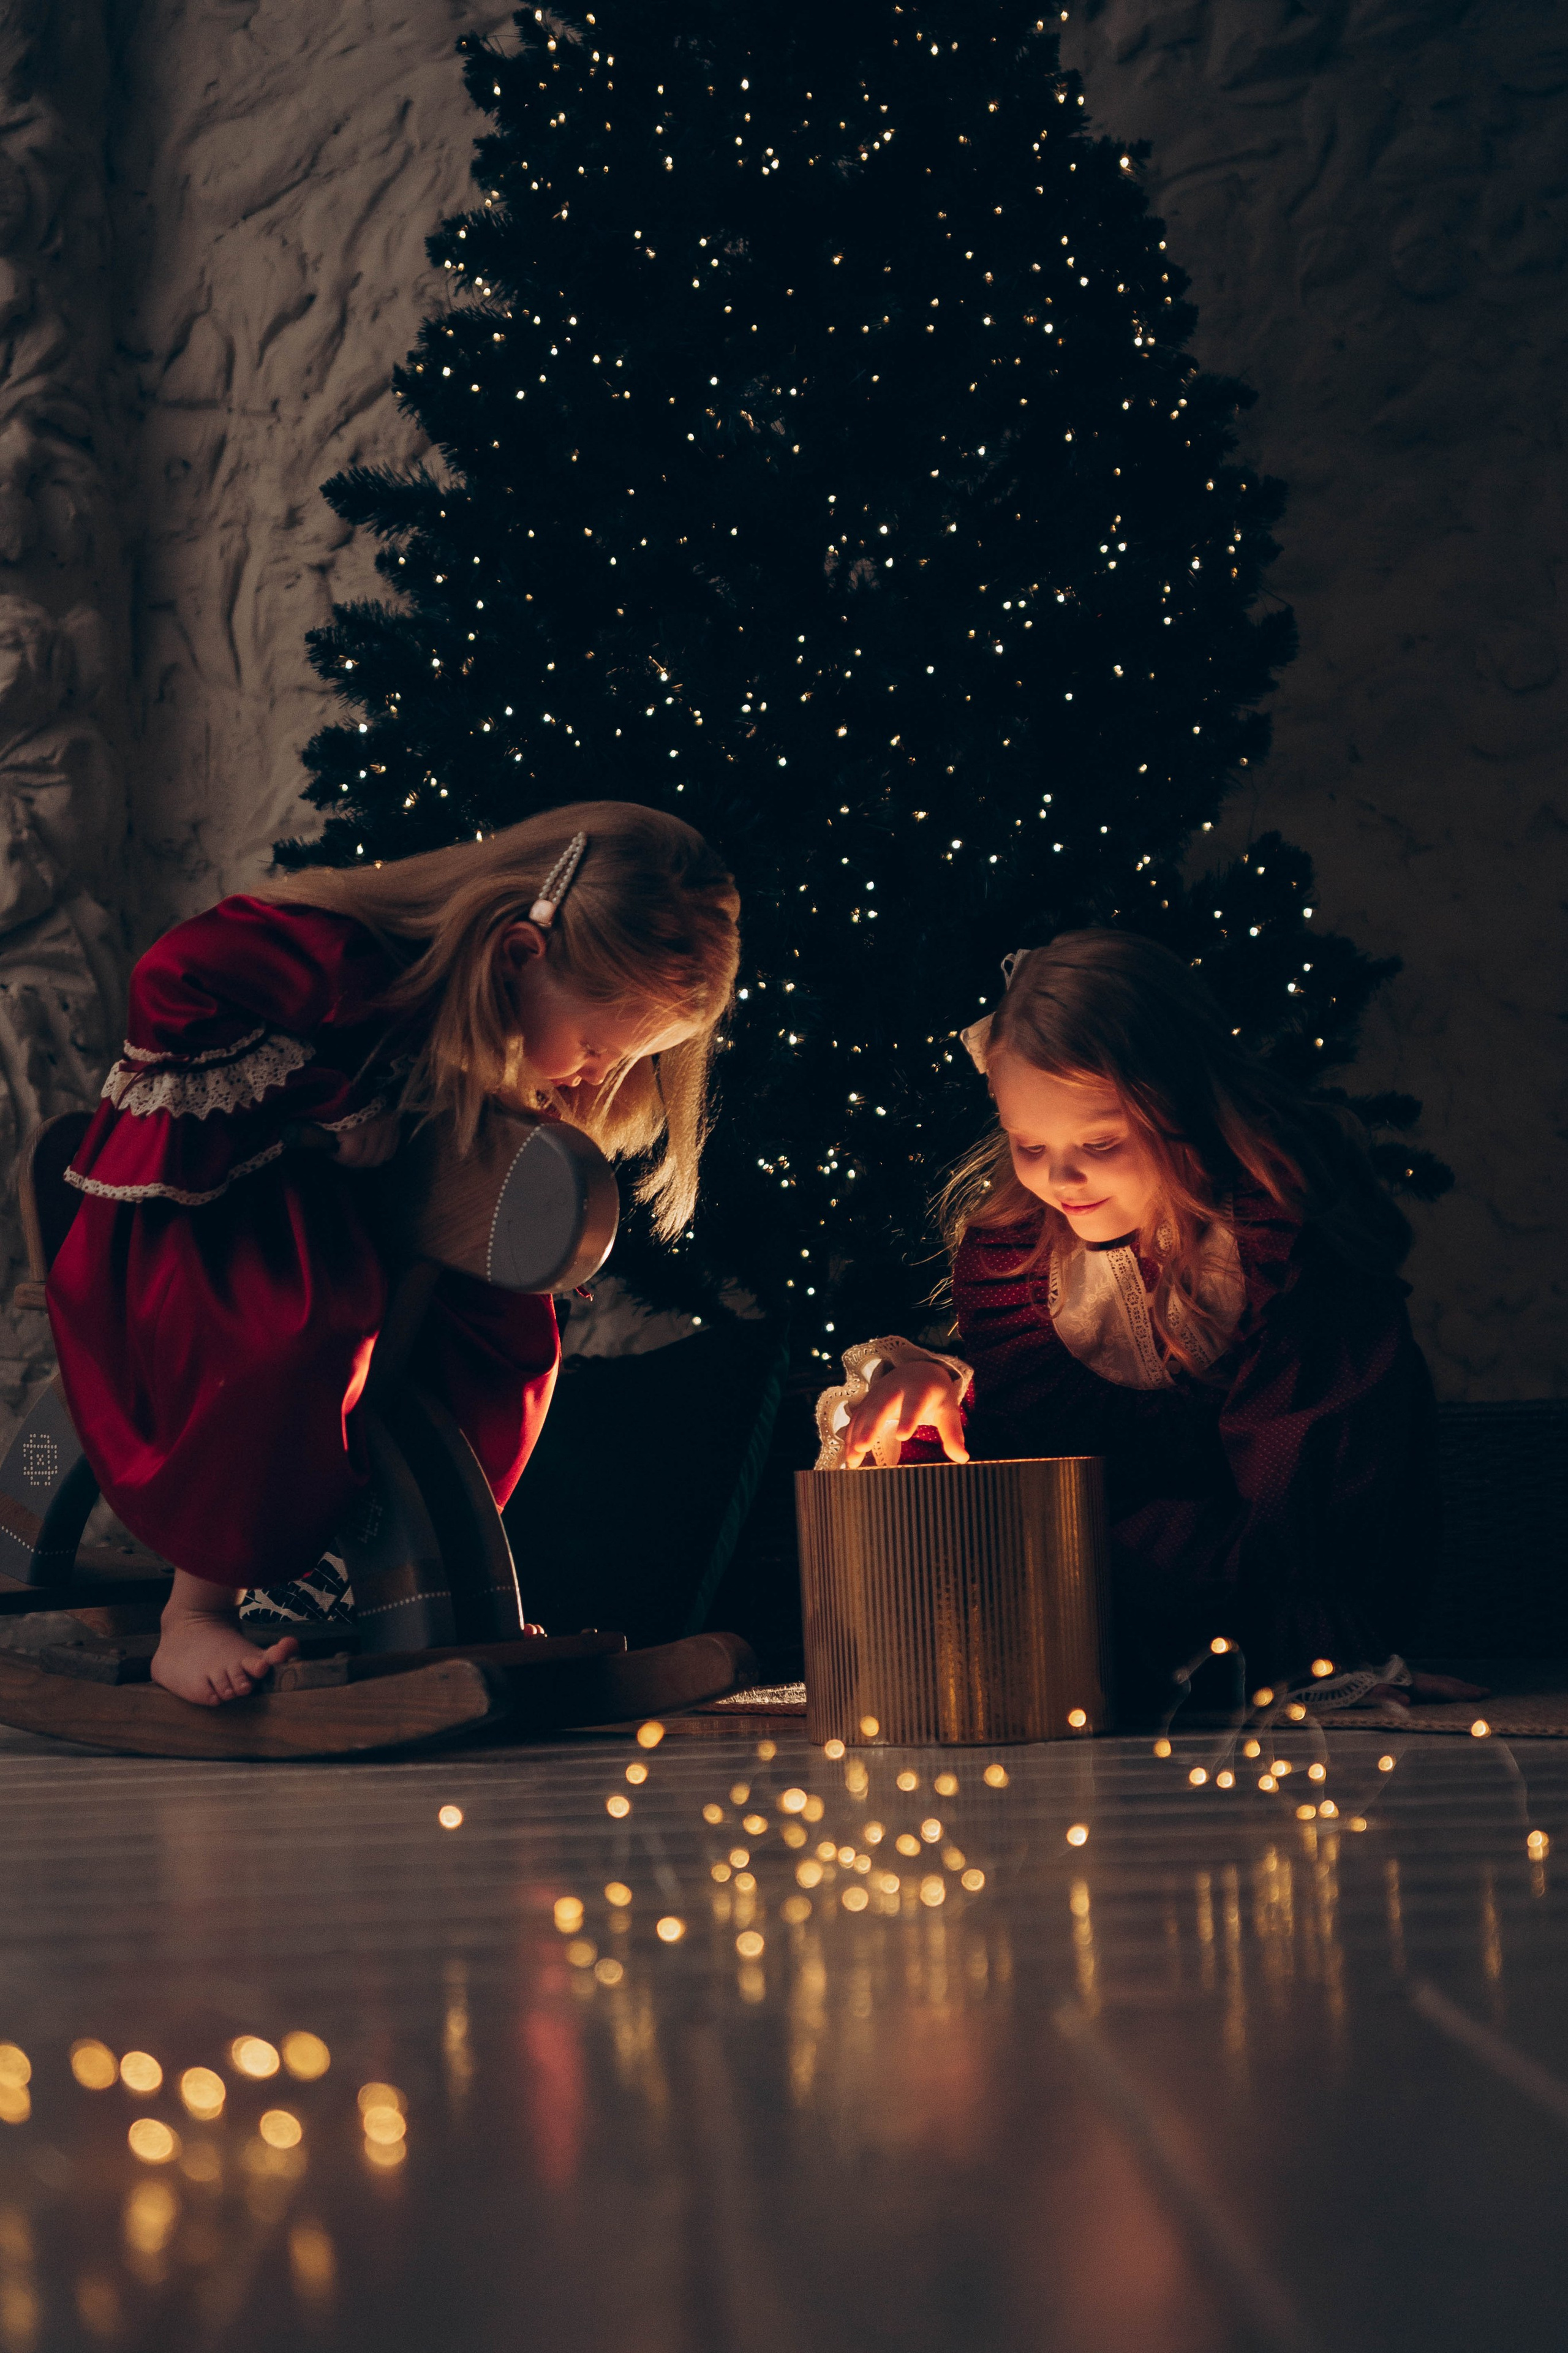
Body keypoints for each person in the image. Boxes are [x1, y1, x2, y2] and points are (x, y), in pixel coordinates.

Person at [49, 803, 739, 1706]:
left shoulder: (489, 1024)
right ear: (520, 954)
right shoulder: (335, 954)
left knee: (510, 1334)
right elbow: (173, 974)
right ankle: (196, 1609)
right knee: (300, 1332)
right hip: (203, 1221)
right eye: (600, 1050)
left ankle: (427, 1583)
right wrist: (321, 1100)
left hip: (361, 1237)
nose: (593, 1079)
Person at [820, 929, 1477, 1721]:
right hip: (1100, 1644)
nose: (1060, 1178)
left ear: (1183, 1104)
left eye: (1100, 1142)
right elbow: (1028, 1482)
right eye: (1030, 1145)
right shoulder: (1012, 1264)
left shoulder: (1283, 1241)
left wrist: (1109, 1551)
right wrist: (944, 1390)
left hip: (1303, 1627)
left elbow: (1304, 1517)